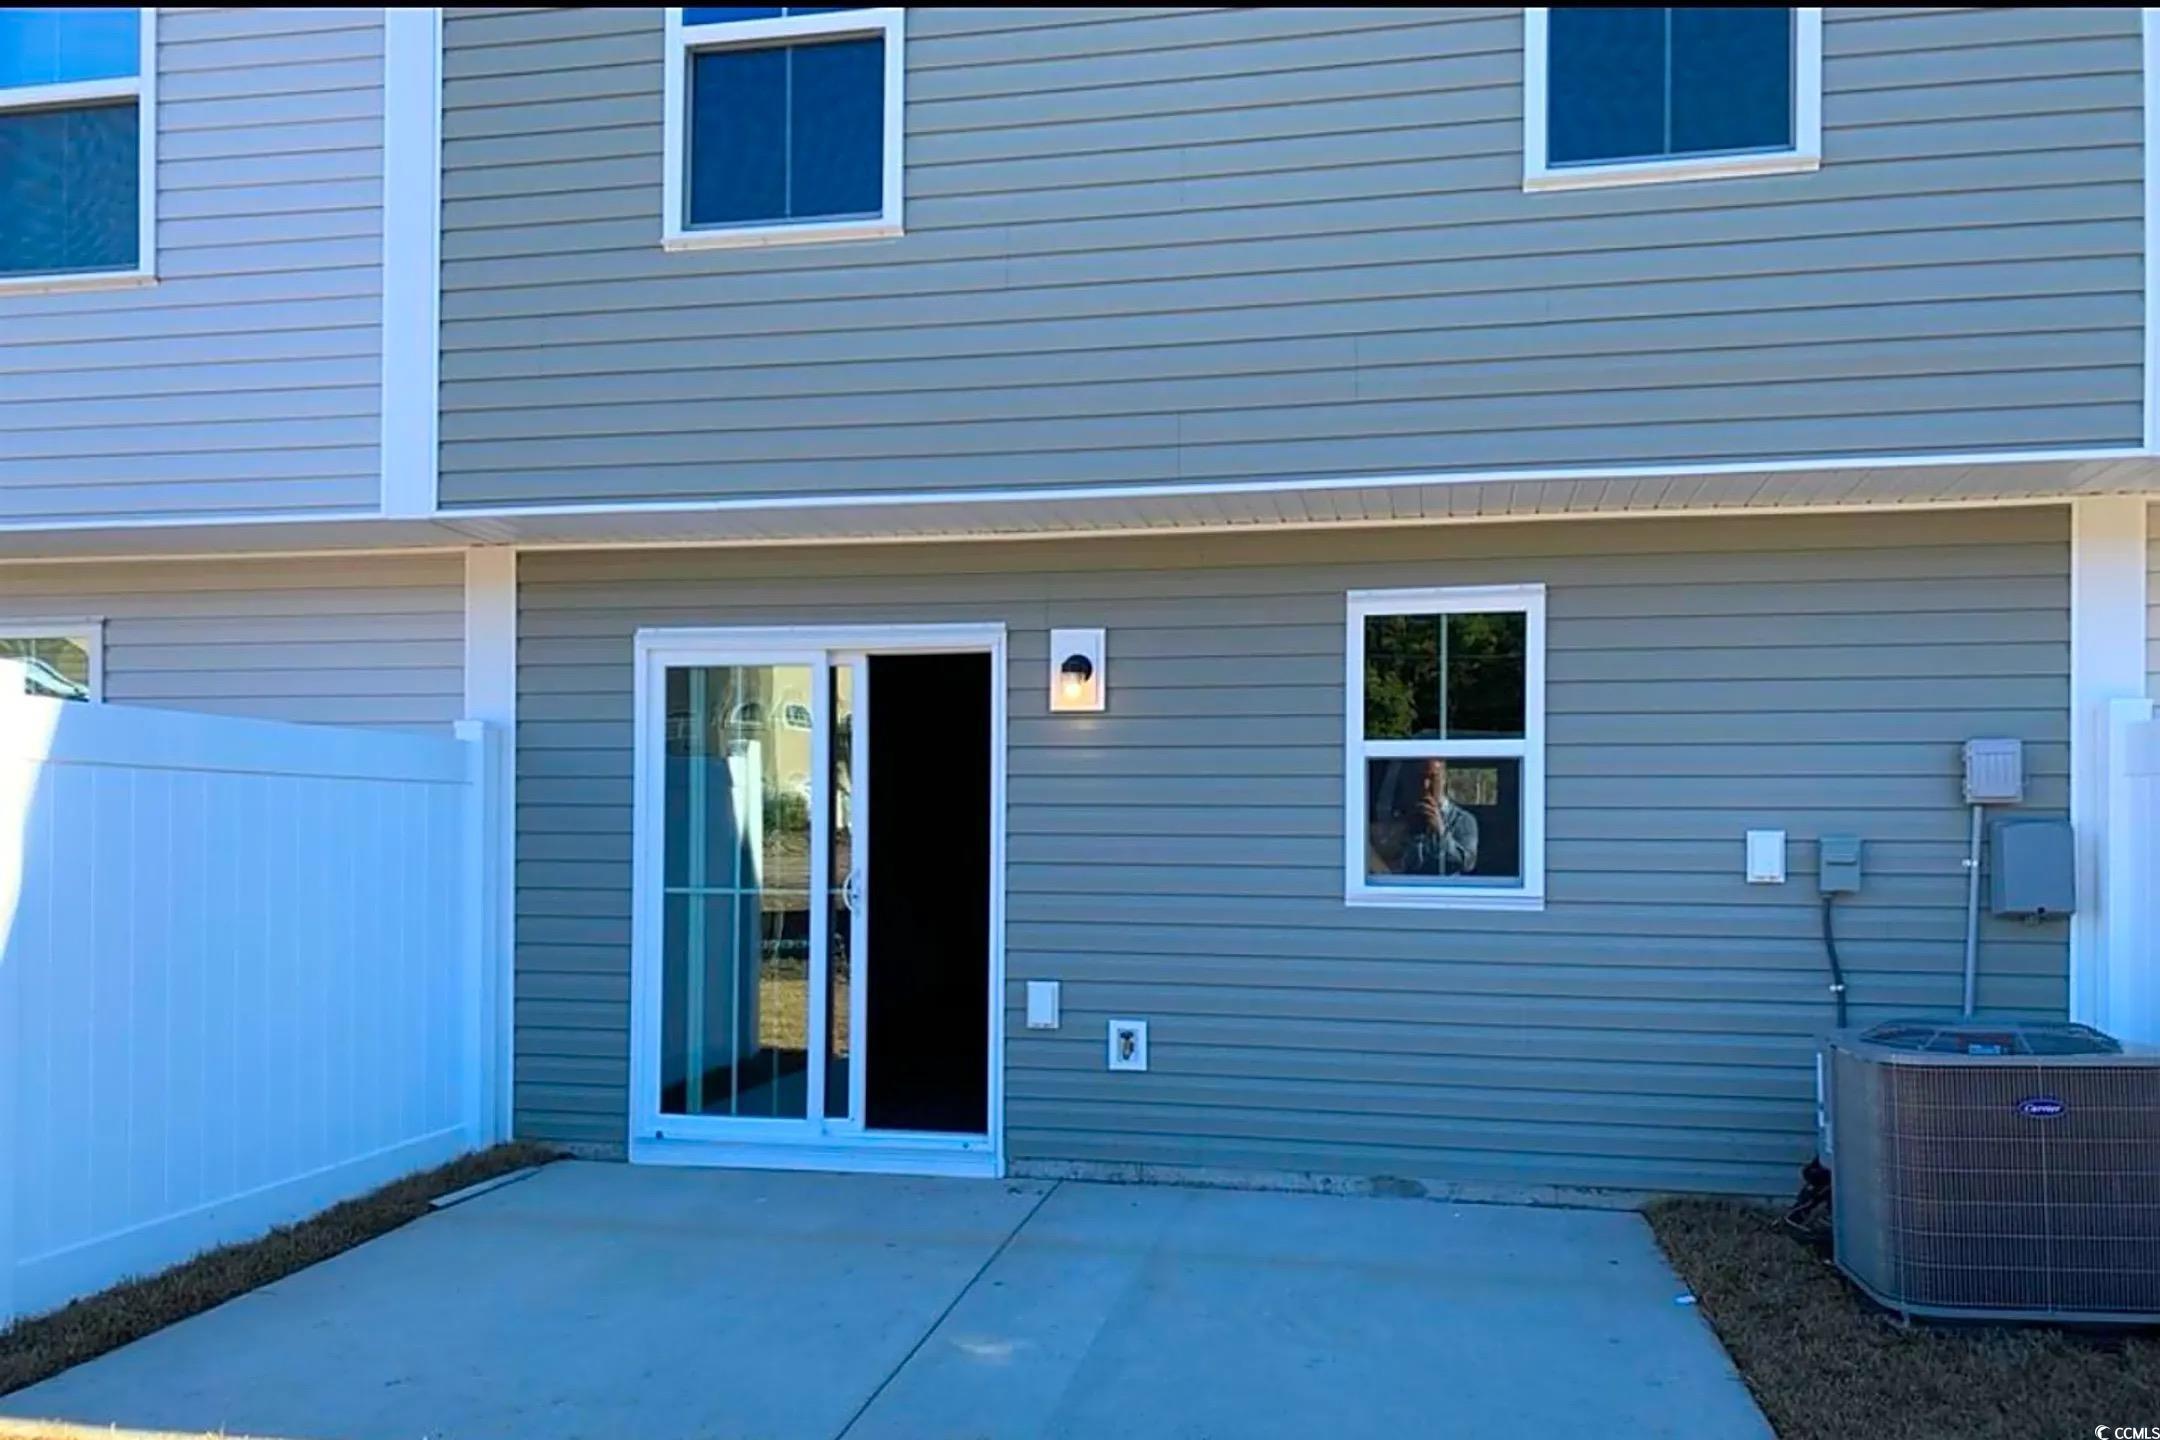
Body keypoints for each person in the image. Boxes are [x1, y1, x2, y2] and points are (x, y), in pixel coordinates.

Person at [1375, 757, 1479, 877]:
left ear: (1444, 779)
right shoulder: (1402, 817)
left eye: (1432, 777)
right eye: (1419, 778)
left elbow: (1468, 864)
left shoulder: (1463, 820)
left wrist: (1440, 832)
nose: (1425, 785)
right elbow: (1390, 863)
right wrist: (1405, 833)